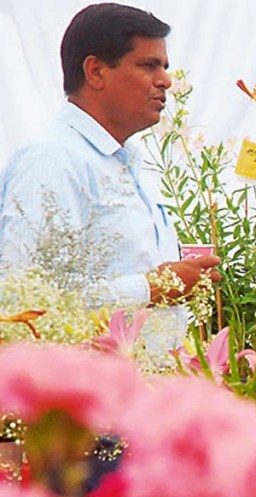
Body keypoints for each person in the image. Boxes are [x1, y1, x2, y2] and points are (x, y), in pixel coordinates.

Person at [0, 3, 221, 350]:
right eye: (148, 66)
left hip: (138, 386)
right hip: (78, 393)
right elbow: (23, 301)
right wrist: (153, 287)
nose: (165, 80)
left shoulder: (126, 161)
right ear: (96, 71)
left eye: (164, 66)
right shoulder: (53, 162)